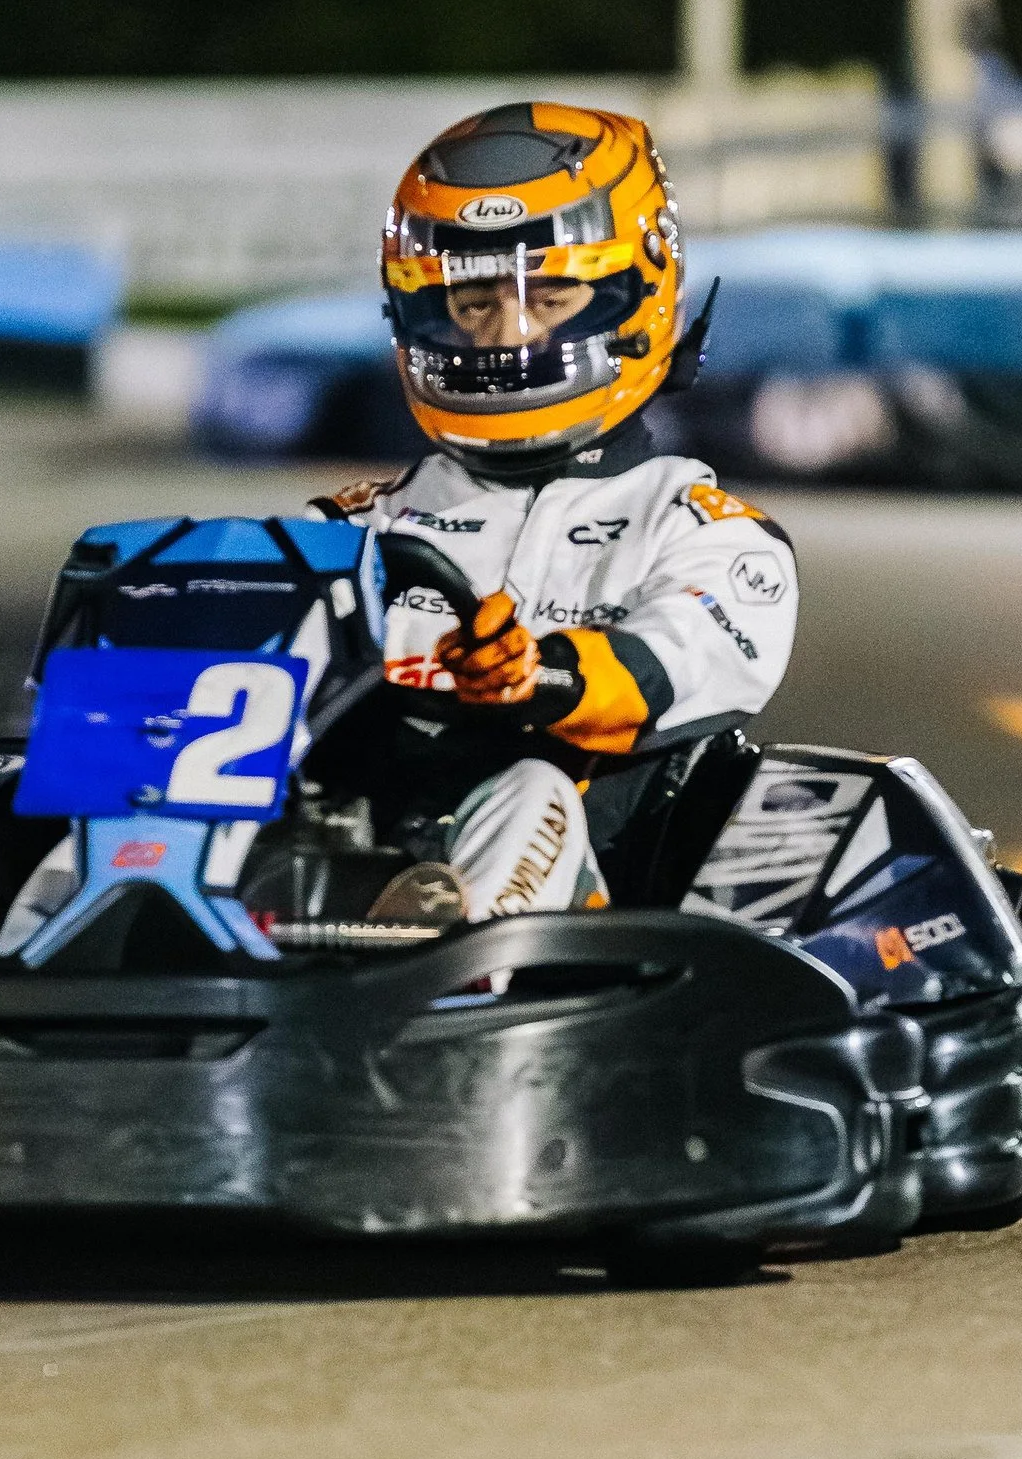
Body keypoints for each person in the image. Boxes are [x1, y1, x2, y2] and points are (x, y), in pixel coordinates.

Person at [321, 101, 796, 920]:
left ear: (636, 295)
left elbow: (668, 664)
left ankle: (449, 964)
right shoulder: (362, 527)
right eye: (474, 305)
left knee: (530, 786)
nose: (508, 336)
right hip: (358, 850)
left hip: (600, 901)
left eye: (549, 298)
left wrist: (539, 672)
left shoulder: (705, 530)